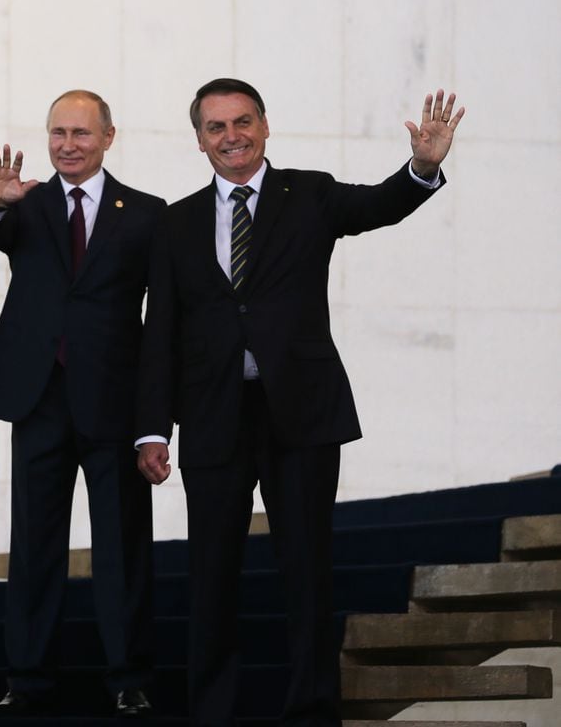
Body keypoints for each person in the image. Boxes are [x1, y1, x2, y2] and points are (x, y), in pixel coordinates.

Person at [135, 80, 465, 726]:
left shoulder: (309, 194)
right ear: (199, 138)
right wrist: (151, 427)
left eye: (242, 122)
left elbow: (381, 204)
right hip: (212, 414)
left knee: (308, 570)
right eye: (216, 126)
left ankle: (312, 708)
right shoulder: (175, 222)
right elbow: (160, 330)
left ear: (264, 125)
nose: (231, 136)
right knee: (211, 575)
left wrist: (423, 165)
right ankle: (213, 710)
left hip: (302, 411)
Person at [0, 90, 160, 718]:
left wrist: (155, 418)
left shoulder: (145, 214)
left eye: (81, 133)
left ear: (109, 136)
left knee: (122, 547)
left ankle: (128, 678)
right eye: (58, 133)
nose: (68, 145)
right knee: (34, 546)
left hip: (113, 401)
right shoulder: (25, 202)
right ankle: (27, 682)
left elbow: (163, 320)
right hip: (39, 398)